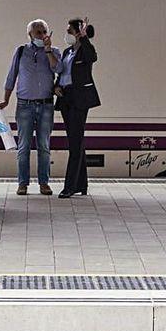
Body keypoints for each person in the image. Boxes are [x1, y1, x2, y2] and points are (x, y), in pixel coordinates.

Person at [0, 19, 61, 196]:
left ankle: (44, 183)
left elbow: (59, 69)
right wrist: (6, 99)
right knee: (24, 145)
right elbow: (11, 76)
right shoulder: (21, 52)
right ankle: (22, 183)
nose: (41, 35)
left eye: (43, 31)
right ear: (30, 35)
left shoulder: (54, 52)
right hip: (24, 105)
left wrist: (48, 50)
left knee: (44, 145)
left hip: (46, 105)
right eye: (37, 32)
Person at [54, 17, 100, 199]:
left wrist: (84, 39)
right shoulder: (67, 52)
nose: (67, 34)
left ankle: (69, 186)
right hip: (65, 97)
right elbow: (63, 73)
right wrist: (56, 87)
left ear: (79, 33)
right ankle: (82, 184)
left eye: (69, 31)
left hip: (80, 98)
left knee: (74, 142)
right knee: (76, 140)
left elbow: (92, 57)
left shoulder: (86, 51)